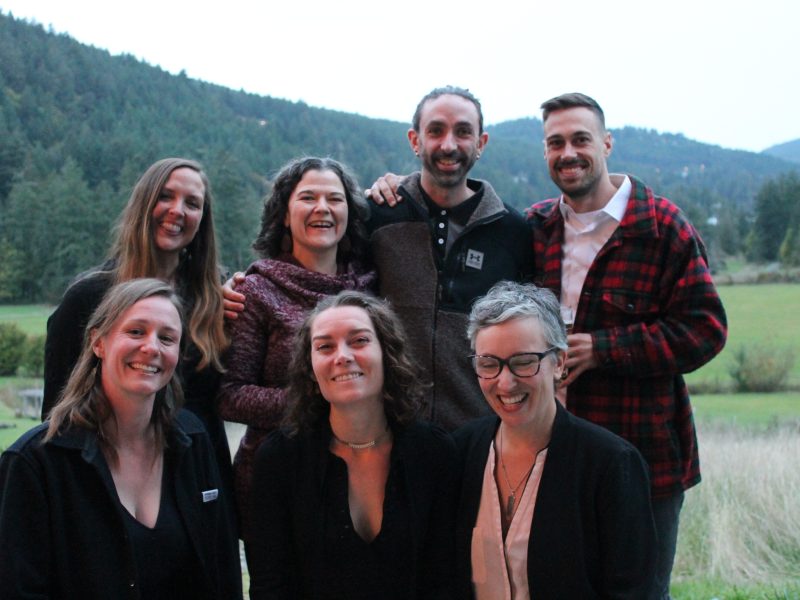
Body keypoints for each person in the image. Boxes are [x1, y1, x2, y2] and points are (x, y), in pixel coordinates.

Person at [526, 93, 728, 598]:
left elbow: (706, 329)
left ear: (607, 143)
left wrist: (603, 349)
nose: (567, 152)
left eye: (580, 139)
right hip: (554, 454)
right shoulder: (535, 228)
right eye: (555, 143)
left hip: (644, 457)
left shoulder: (662, 228)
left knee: (637, 593)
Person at [0, 279, 242, 599]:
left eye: (167, 338)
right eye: (136, 331)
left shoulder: (194, 441)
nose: (152, 347)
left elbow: (222, 574)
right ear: (98, 342)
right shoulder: (34, 464)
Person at [247, 290, 457, 599]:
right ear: (311, 367)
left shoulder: (434, 452)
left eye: (358, 340)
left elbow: (445, 581)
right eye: (325, 346)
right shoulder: (280, 459)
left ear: (387, 353)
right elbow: (270, 586)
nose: (342, 356)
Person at [41, 157, 233, 494]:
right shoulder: (90, 297)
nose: (178, 211)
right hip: (109, 485)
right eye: (165, 196)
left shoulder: (216, 298)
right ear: (143, 202)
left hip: (199, 482)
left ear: (203, 220)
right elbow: (57, 414)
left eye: (192, 203)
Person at [454, 281, 656, 599]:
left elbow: (632, 591)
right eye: (489, 364)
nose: (505, 383)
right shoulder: (461, 452)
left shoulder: (611, 465)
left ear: (559, 362)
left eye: (523, 362)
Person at [217, 157, 376, 537]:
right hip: (276, 481)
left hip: (360, 475)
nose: (322, 208)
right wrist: (319, 402)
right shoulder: (254, 291)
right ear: (285, 216)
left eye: (334, 199)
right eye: (308, 197)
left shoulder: (370, 289)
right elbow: (230, 395)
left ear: (349, 214)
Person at [366, 86, 534, 429]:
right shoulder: (377, 215)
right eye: (436, 130)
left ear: (481, 143)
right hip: (387, 430)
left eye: (462, 132)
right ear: (415, 140)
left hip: (480, 434)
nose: (448, 144)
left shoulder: (513, 232)